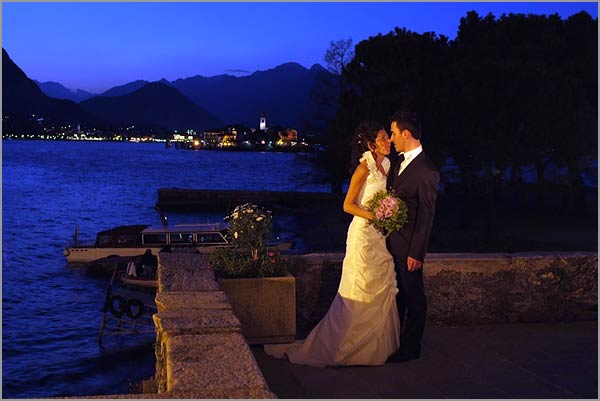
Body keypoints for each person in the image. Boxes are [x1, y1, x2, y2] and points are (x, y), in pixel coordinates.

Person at [264, 121, 400, 366]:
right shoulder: (364, 167)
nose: (388, 141)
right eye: (382, 138)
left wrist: (388, 212)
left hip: (378, 236)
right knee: (359, 286)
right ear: (371, 144)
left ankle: (375, 347)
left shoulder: (386, 165)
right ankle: (346, 344)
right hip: (362, 235)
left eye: (387, 137)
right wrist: (375, 215)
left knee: (380, 284)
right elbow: (347, 205)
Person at [386, 111, 439, 363]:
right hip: (391, 242)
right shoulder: (398, 162)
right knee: (398, 296)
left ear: (406, 134)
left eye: (394, 133)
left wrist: (416, 253)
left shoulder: (426, 171)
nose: (392, 138)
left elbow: (426, 216)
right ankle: (396, 340)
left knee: (413, 296)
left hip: (408, 246)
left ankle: (411, 347)